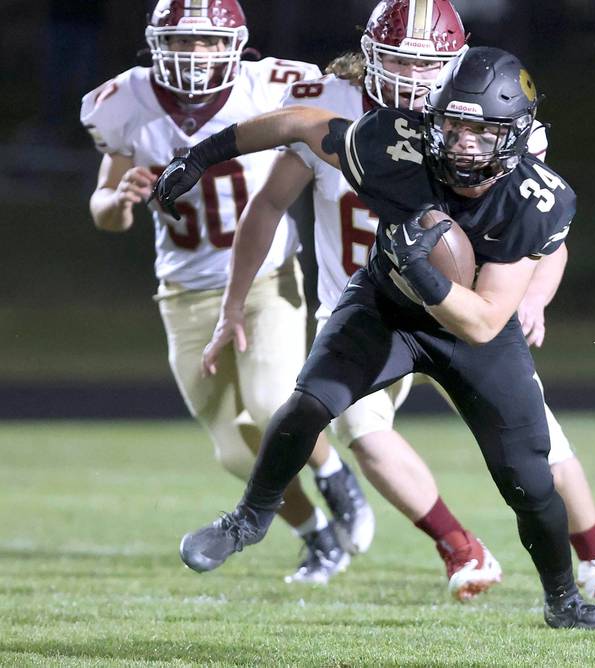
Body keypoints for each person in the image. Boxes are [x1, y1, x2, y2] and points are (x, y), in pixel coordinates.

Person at [152, 45, 595, 629]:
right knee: (307, 404)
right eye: (453, 125)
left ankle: (564, 599)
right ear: (434, 117)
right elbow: (299, 123)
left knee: (529, 478)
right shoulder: (393, 142)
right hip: (385, 307)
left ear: (518, 135)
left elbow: (484, 321)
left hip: (471, 333)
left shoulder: (535, 200)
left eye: (483, 132)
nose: (463, 144)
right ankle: (247, 520)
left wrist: (423, 270)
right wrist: (201, 155)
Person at [80, 0, 374, 585]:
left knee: (271, 403)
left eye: (209, 42)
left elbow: (343, 102)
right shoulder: (125, 103)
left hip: (266, 277)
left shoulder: (272, 86)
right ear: (157, 44)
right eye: (184, 43)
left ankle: (339, 479)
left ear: (236, 44)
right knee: (235, 452)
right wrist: (118, 203)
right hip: (183, 291)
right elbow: (102, 209)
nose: (196, 55)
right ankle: (316, 536)